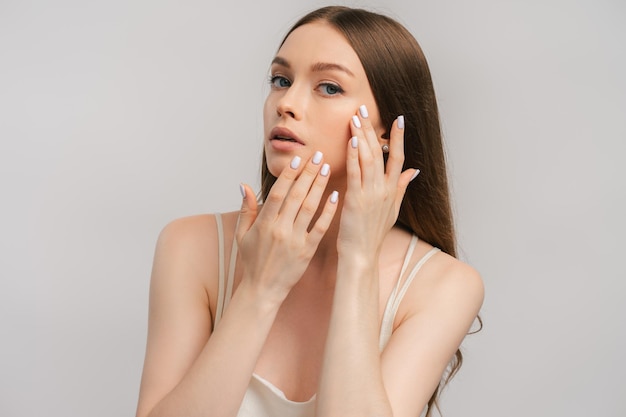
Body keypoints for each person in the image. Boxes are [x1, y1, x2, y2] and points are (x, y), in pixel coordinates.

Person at [135, 5, 483, 417]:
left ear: (387, 132)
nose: (287, 103)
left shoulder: (443, 284)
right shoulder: (190, 246)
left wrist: (359, 260)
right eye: (281, 80)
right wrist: (260, 290)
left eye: (329, 87)